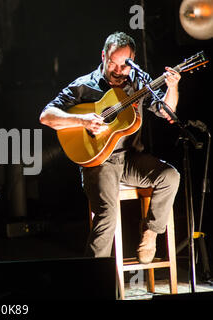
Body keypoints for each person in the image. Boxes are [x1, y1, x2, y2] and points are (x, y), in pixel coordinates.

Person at [39, 32, 181, 263]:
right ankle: (95, 281)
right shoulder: (84, 86)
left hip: (131, 158)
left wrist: (172, 87)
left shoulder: (139, 82)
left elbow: (167, 113)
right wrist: (82, 120)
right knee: (108, 215)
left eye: (124, 65)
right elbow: (46, 116)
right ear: (103, 56)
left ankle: (151, 232)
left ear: (133, 60)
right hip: (99, 162)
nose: (117, 70)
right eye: (112, 63)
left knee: (170, 176)